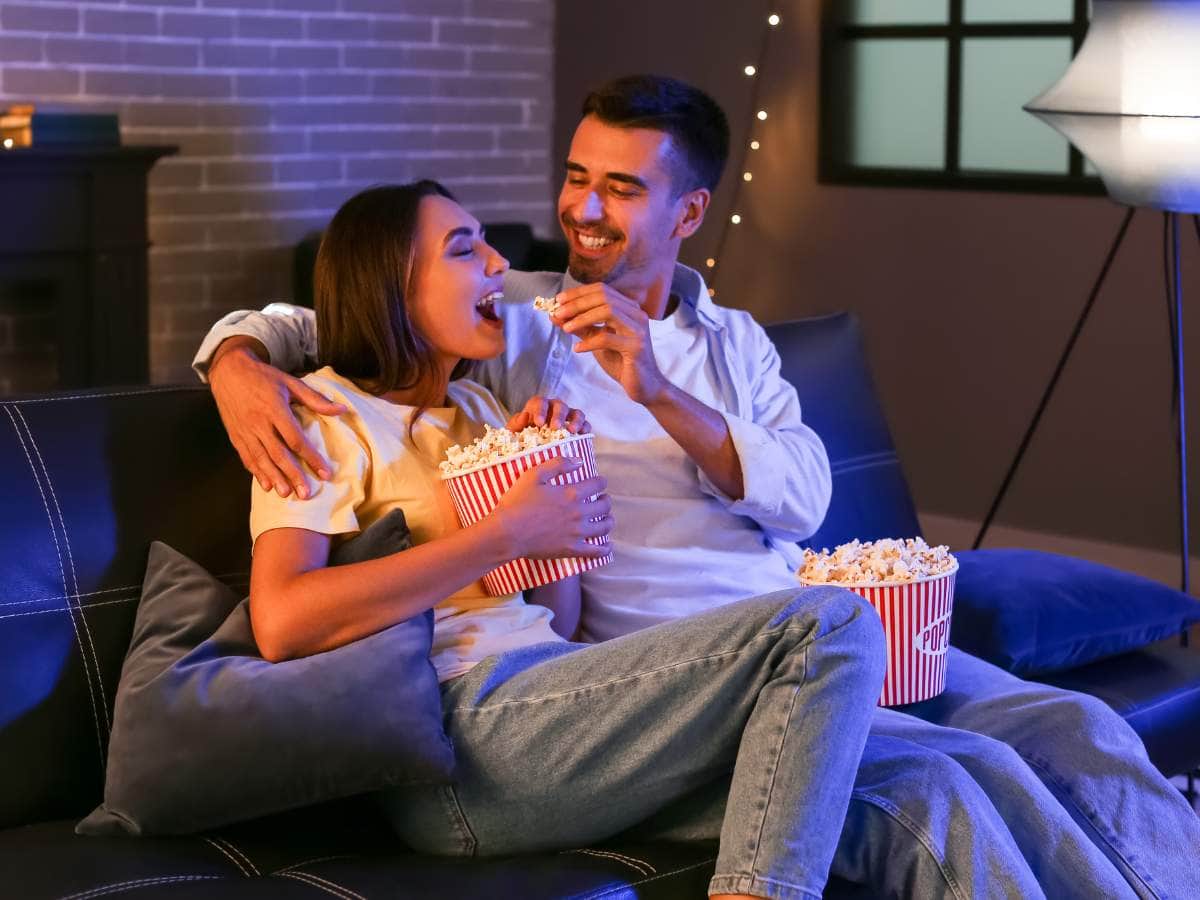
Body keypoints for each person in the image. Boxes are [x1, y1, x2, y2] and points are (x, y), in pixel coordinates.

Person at [196, 76, 1200, 898]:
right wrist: (234, 358)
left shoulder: (733, 344)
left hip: (789, 620)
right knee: (939, 763)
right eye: (577, 176)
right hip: (665, 662)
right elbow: (351, 309)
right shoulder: (519, 324)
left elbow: (804, 500)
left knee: (1071, 727)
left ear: (687, 211)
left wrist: (659, 394)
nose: (582, 210)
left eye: (622, 189)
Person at [248, 177, 888, 900]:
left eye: (488, 243)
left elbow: (563, 615)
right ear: (388, 283)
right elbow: (282, 621)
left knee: (904, 792)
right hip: (459, 742)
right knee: (830, 622)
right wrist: (502, 532)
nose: (498, 264)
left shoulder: (481, 405)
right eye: (465, 250)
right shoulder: (320, 420)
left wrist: (552, 474)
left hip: (549, 698)